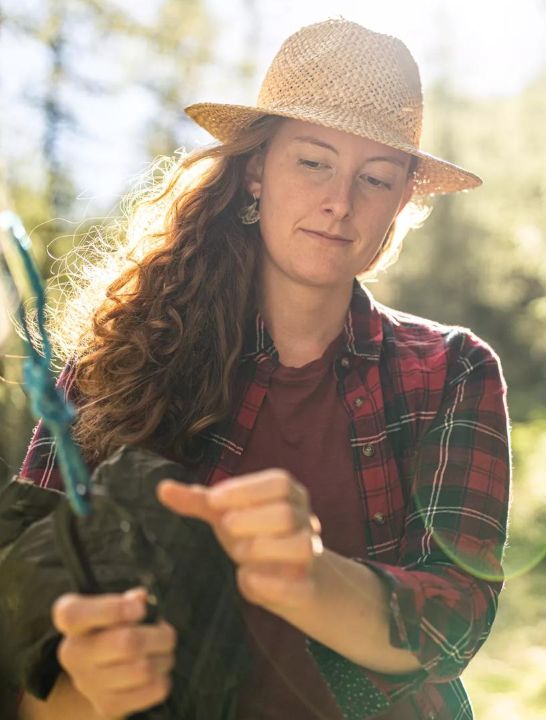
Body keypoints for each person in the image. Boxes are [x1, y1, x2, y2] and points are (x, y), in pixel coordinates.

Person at [12, 18, 511, 720]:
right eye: (312, 162)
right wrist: (81, 687)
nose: (340, 202)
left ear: (400, 204)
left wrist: (308, 577)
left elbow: (457, 618)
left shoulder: (452, 371)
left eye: (374, 178)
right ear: (256, 172)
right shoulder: (118, 356)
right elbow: (23, 602)